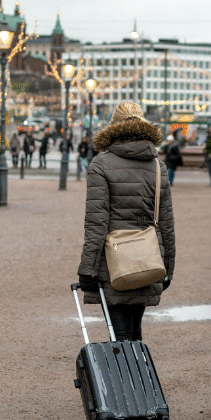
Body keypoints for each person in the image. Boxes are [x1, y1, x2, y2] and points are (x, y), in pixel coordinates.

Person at [78, 102, 176, 341]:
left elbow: (96, 223)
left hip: (113, 260)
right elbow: (166, 223)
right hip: (146, 256)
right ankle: (140, 366)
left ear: (113, 126)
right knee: (135, 331)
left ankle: (127, 367)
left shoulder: (101, 164)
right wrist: (168, 268)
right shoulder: (158, 166)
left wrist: (88, 269)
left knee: (120, 336)